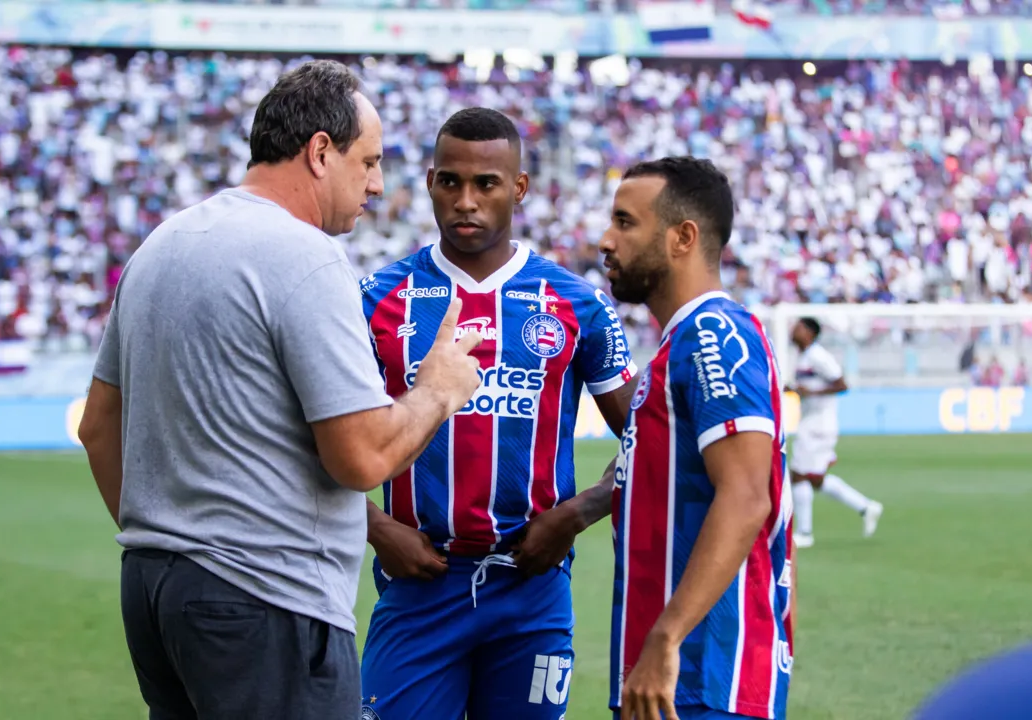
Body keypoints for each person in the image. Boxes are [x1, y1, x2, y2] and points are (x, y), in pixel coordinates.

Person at [76, 60, 483, 720]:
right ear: (321, 151)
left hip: (154, 588)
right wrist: (438, 389)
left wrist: (172, 537)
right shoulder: (303, 255)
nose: (378, 185)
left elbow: (97, 428)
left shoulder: (161, 243)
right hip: (264, 597)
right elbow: (362, 457)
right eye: (369, 162)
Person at [358, 107, 638, 720]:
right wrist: (375, 529)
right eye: (449, 182)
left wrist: (579, 512)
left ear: (518, 188)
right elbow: (312, 438)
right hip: (419, 584)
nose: (465, 201)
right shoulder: (377, 299)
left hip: (531, 587)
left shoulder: (575, 304)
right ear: (430, 182)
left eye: (485, 184)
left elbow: (650, 436)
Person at [600, 157, 794, 720]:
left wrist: (665, 639)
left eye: (626, 222)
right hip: (673, 677)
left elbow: (746, 495)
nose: (606, 240)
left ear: (683, 237)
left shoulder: (713, 333)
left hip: (704, 675)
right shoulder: (678, 344)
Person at [786, 317, 882, 549]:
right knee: (816, 480)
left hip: (818, 424)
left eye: (798, 327)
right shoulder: (804, 357)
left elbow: (842, 384)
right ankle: (866, 507)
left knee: (798, 475)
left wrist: (811, 393)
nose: (793, 330)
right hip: (813, 421)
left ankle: (805, 533)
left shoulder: (818, 356)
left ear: (809, 333)